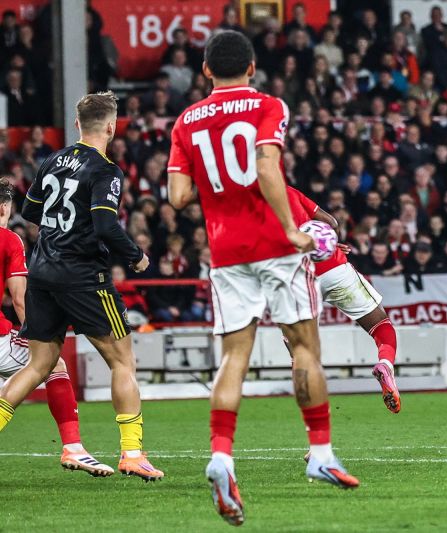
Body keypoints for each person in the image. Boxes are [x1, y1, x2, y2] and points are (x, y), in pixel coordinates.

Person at [166, 31, 357, 526]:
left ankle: (222, 457)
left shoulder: (186, 122)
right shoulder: (268, 105)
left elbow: (177, 197)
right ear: (251, 67)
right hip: (274, 246)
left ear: (205, 70)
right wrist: (291, 228)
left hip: (226, 250)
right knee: (304, 349)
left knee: (234, 357)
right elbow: (268, 167)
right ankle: (320, 454)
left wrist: (217, 188)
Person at [1, 92, 163, 480]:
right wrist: (135, 255)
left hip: (43, 271)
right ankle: (132, 453)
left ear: (77, 125)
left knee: (39, 365)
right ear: (111, 127)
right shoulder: (106, 170)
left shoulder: (52, 160)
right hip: (84, 277)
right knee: (123, 362)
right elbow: (107, 226)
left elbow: (29, 211)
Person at [0, 179, 112, 476]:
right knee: (53, 363)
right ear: (4, 207)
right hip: (0, 341)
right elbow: (20, 299)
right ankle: (73, 447)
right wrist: (33, 331)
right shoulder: (8, 239)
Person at [287, 186, 400, 413]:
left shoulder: (248, 208)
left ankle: (316, 440)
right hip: (333, 268)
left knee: (302, 358)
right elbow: (330, 222)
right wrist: (324, 243)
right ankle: (385, 364)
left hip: (296, 279)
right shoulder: (288, 191)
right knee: (380, 326)